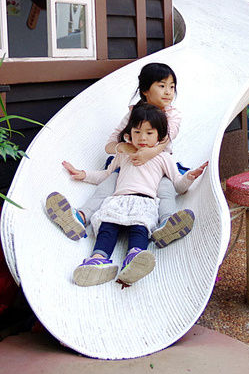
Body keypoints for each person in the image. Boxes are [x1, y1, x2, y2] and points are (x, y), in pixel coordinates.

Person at [44, 62, 195, 249]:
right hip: (129, 164)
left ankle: (166, 223)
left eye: (172, 87)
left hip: (159, 166)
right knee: (108, 184)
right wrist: (124, 149)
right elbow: (110, 146)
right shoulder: (133, 114)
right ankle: (80, 216)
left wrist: (147, 153)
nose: (168, 92)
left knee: (166, 189)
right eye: (162, 85)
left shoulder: (172, 115)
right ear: (146, 90)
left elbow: (164, 140)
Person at [63, 103, 208, 287]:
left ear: (160, 136)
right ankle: (98, 259)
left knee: (140, 229)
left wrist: (190, 176)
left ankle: (134, 259)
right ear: (128, 134)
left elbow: (178, 185)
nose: (142, 138)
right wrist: (83, 174)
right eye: (137, 132)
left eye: (149, 133)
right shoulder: (123, 154)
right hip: (118, 201)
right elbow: (106, 175)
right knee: (107, 228)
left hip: (144, 202)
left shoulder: (163, 158)